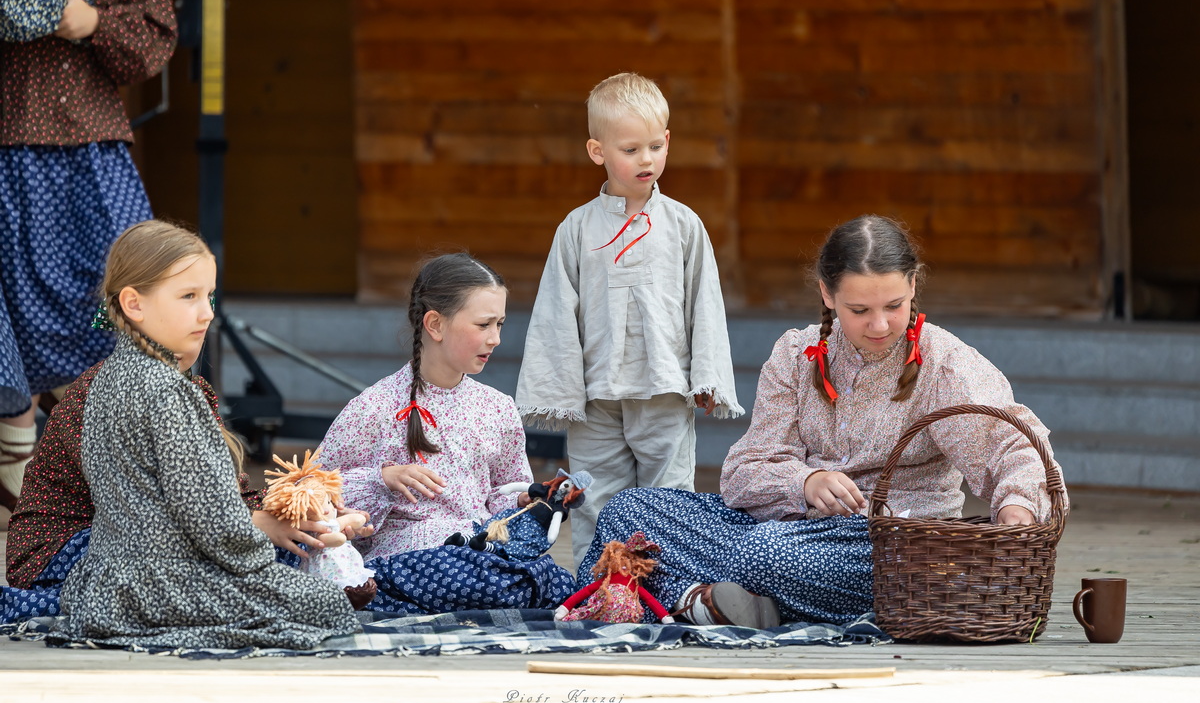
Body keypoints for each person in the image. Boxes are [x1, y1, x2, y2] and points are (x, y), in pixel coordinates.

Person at [580, 215, 1067, 629]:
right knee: (630, 511)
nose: (879, 326)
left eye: (893, 306)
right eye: (860, 310)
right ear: (827, 294)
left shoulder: (946, 366)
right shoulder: (796, 354)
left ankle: (692, 599)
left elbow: (1014, 447)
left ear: (913, 286)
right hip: (784, 524)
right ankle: (712, 602)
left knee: (766, 553)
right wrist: (805, 482)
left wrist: (1019, 510)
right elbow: (743, 473)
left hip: (888, 545)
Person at [50, 221, 360, 649]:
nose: (208, 312)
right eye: (189, 296)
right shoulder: (167, 392)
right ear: (133, 304)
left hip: (101, 584)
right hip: (162, 587)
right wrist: (262, 564)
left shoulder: (107, 380)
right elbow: (214, 523)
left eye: (208, 296)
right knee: (327, 605)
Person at [516, 71, 743, 572]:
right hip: (596, 397)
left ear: (668, 142)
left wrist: (706, 375)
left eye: (655, 146)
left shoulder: (684, 225)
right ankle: (601, 590)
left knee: (667, 501)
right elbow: (555, 313)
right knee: (594, 501)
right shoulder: (576, 228)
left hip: (664, 387)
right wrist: (558, 391)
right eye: (630, 149)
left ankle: (666, 584)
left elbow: (705, 303)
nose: (646, 160)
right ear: (597, 151)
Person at [0, 0, 176, 511]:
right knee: (17, 297)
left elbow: (150, 48)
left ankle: (113, 463)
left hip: (98, 157)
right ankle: (18, 463)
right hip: (11, 150)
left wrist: (95, 21)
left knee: (130, 291)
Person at [319, 253, 575, 614]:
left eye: (500, 324)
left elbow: (501, 499)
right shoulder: (373, 407)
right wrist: (383, 478)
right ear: (435, 325)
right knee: (485, 580)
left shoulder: (497, 408)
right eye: (484, 325)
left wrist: (527, 503)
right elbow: (313, 494)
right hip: (410, 559)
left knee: (553, 580)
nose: (496, 338)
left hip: (480, 551)